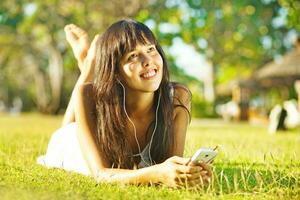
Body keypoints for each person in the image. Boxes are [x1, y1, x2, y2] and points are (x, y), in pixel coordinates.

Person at [37, 19, 212, 188]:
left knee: (86, 98)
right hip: (72, 144)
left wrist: (187, 173)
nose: (148, 60)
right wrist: (158, 173)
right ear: (116, 71)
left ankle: (89, 65)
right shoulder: (85, 95)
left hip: (101, 100)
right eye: (133, 56)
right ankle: (89, 64)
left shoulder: (177, 97)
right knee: (67, 130)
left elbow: (171, 164)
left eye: (151, 49)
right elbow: (101, 174)